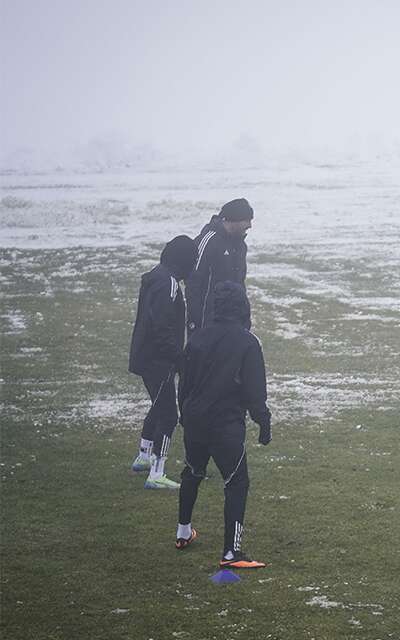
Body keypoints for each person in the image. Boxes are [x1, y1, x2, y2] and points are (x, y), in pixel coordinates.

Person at [176, 282, 272, 568]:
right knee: (236, 482)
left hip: (195, 421)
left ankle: (183, 532)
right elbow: (255, 393)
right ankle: (231, 552)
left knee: (192, 472)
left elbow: (184, 385)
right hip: (224, 425)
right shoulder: (248, 342)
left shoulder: (197, 339)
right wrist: (264, 423)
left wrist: (184, 416)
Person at [127, 235, 197, 488]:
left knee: (158, 406)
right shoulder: (168, 284)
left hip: (147, 357)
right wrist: (178, 358)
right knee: (168, 415)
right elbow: (162, 328)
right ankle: (156, 474)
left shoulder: (157, 277)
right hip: (159, 361)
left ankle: (144, 456)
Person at [188, 198, 255, 332]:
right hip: (207, 320)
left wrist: (244, 316)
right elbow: (193, 281)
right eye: (247, 220)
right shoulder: (208, 240)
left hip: (232, 320)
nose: (250, 225)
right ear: (234, 219)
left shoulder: (241, 246)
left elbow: (240, 282)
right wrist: (196, 320)